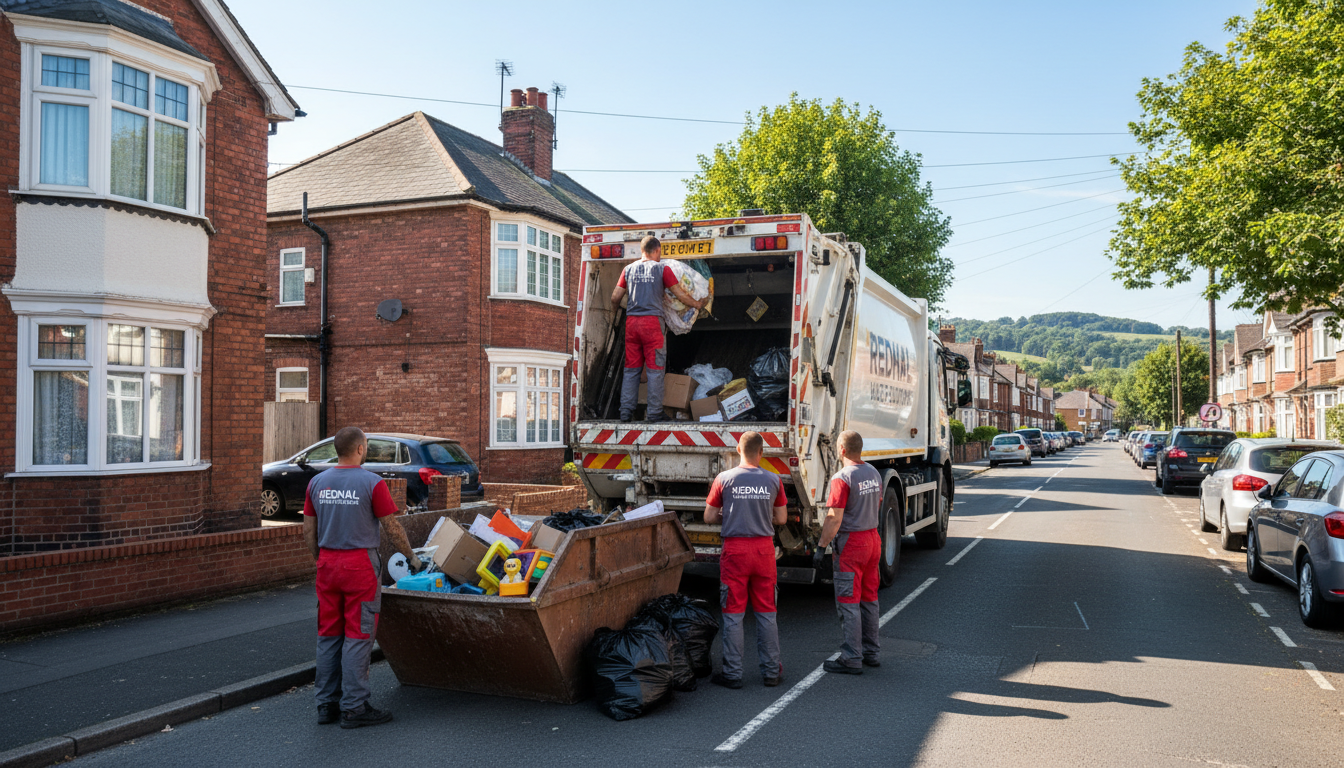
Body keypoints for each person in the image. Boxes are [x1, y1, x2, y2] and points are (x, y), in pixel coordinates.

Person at [303, 426, 421, 728]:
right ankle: (354, 708)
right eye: (366, 445)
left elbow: (307, 530)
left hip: (328, 564)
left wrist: (320, 559)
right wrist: (411, 556)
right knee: (358, 634)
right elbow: (391, 527)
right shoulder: (371, 483)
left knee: (328, 634)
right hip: (359, 566)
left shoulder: (316, 482)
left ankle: (326, 705)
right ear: (359, 449)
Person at [703, 431, 788, 688]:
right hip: (763, 552)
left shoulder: (724, 478)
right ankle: (772, 672)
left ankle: (733, 673)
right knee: (766, 614)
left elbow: (708, 517)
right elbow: (782, 519)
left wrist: (726, 516)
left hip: (735, 552)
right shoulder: (774, 480)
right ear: (761, 453)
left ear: (738, 450)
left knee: (733, 615)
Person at [610, 235, 704, 422]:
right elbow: (679, 294)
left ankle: (625, 412)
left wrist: (617, 315)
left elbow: (615, 297)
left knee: (631, 369)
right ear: (658, 250)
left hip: (632, 324)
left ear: (642, 251)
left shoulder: (628, 269)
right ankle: (654, 413)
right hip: (652, 325)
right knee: (655, 370)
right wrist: (697, 304)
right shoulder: (662, 269)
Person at [816, 430, 882, 674]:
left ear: (841, 449)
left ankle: (852, 657)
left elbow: (834, 518)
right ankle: (871, 652)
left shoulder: (842, 477)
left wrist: (821, 545)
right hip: (873, 539)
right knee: (869, 599)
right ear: (860, 449)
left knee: (848, 602)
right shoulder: (873, 473)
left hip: (852, 544)